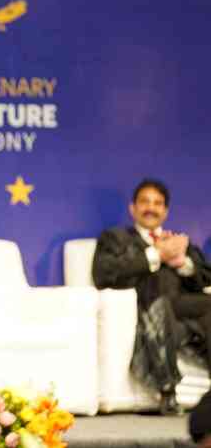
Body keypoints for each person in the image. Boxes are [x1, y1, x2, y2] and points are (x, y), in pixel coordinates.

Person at [92, 178, 211, 415]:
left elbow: (206, 278)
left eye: (158, 203)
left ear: (165, 211)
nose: (151, 208)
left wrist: (182, 263)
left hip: (183, 309)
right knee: (158, 298)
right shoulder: (116, 238)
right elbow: (104, 275)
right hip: (144, 308)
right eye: (145, 202)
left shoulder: (179, 242)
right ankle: (167, 389)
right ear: (132, 208)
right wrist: (155, 255)